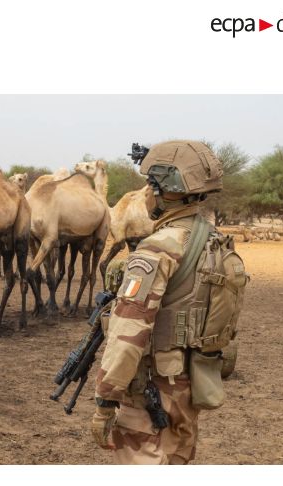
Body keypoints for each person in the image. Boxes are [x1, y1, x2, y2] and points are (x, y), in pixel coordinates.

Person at [91, 140, 248, 464]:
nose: (145, 194)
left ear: (167, 191)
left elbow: (128, 334)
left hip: (152, 391)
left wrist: (106, 400)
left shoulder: (157, 249)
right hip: (190, 386)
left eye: (150, 185)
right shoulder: (213, 240)